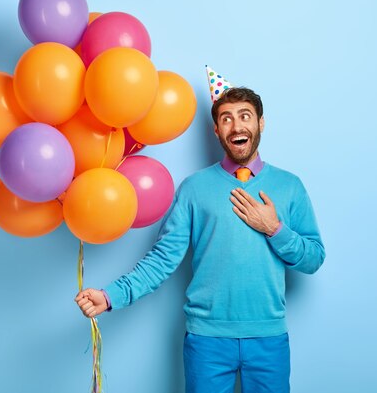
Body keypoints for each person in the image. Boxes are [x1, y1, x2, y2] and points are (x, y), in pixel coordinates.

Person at [74, 86, 325, 393]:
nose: (236, 126)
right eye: (226, 119)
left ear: (260, 123)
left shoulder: (290, 186)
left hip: (269, 338)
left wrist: (275, 228)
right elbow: (162, 259)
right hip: (206, 341)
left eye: (245, 116)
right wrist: (111, 295)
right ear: (217, 130)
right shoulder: (194, 188)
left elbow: (313, 258)